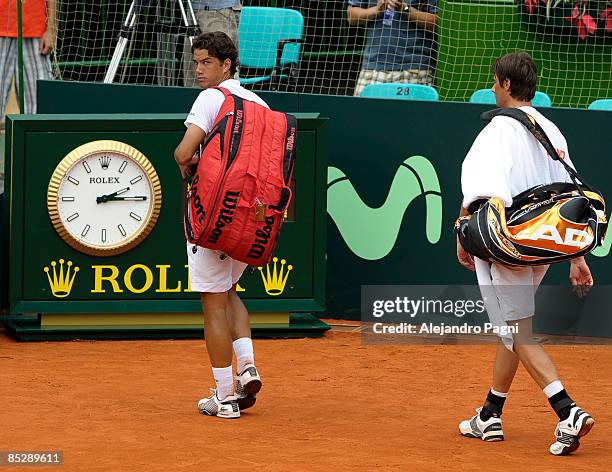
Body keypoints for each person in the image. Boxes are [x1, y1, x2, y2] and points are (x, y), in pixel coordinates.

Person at [457, 51, 595, 455]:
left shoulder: (495, 131)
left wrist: (462, 235)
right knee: (514, 326)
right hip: (543, 245)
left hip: (508, 245)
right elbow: (569, 196)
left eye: (494, 81)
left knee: (517, 331)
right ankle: (489, 415)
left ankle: (567, 410)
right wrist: (576, 256)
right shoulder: (551, 130)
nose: (493, 87)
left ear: (504, 83)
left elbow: (482, 192)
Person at [174, 31, 266, 419]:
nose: (198, 70)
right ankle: (247, 369)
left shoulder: (213, 97)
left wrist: (187, 163)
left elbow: (182, 150)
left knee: (212, 303)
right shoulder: (259, 101)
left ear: (227, 64)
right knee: (228, 290)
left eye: (206, 62)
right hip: (251, 219)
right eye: (195, 62)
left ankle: (224, 396)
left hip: (213, 217)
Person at [347, 0, 437, 96]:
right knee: (361, 110)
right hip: (372, 66)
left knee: (412, 111)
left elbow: (440, 24)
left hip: (414, 68)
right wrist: (377, 9)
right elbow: (351, 16)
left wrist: (406, 9)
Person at [0, 0, 56, 123]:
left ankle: (39, 142)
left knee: (40, 108)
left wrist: (51, 28)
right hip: (3, 23)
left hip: (34, 28)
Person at [182, 1, 241, 87]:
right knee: (193, 76)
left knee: (223, 79)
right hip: (193, 9)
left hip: (217, 10)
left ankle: (229, 99)